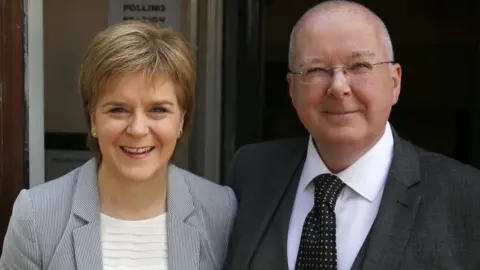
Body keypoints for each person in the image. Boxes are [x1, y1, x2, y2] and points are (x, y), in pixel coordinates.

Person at [224, 1, 480, 269]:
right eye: (316, 70)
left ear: (395, 82)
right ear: (292, 88)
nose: (338, 87)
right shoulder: (251, 173)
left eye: (359, 66)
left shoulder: (466, 198)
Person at [0, 20, 237, 270]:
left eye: (158, 109)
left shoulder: (221, 211)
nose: (137, 129)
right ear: (93, 118)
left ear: (182, 120)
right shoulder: (37, 217)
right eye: (118, 109)